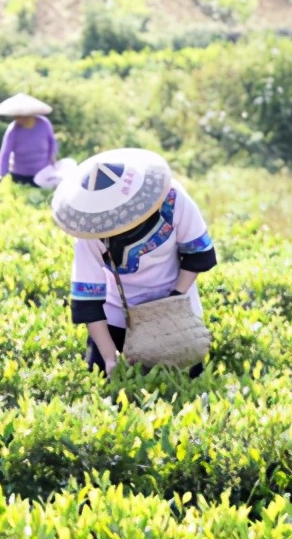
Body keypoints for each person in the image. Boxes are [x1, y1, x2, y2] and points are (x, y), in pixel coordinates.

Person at [51, 148, 218, 378]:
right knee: (104, 377)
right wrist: (110, 357)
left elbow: (197, 254)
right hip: (120, 314)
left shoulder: (172, 198)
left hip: (176, 303)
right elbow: (88, 301)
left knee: (186, 375)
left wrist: (173, 300)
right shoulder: (90, 230)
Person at [0, 93, 59, 187]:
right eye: (16, 116)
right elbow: (5, 153)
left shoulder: (44, 124)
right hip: (20, 175)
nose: (18, 119)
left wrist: (53, 163)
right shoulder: (13, 130)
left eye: (21, 116)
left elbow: (52, 144)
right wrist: (2, 174)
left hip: (42, 173)